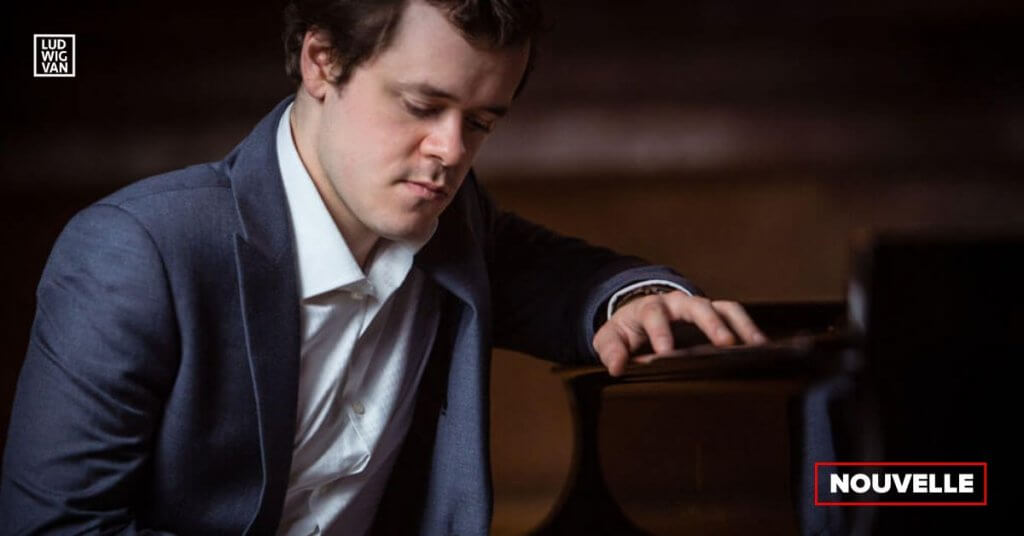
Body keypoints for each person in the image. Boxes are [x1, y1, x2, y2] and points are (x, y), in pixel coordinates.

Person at [0, 0, 765, 533]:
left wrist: (640, 298)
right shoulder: (136, 252)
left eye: (481, 121)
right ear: (321, 62)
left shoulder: (456, 225)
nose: (451, 152)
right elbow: (56, 527)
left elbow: (574, 280)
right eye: (421, 106)